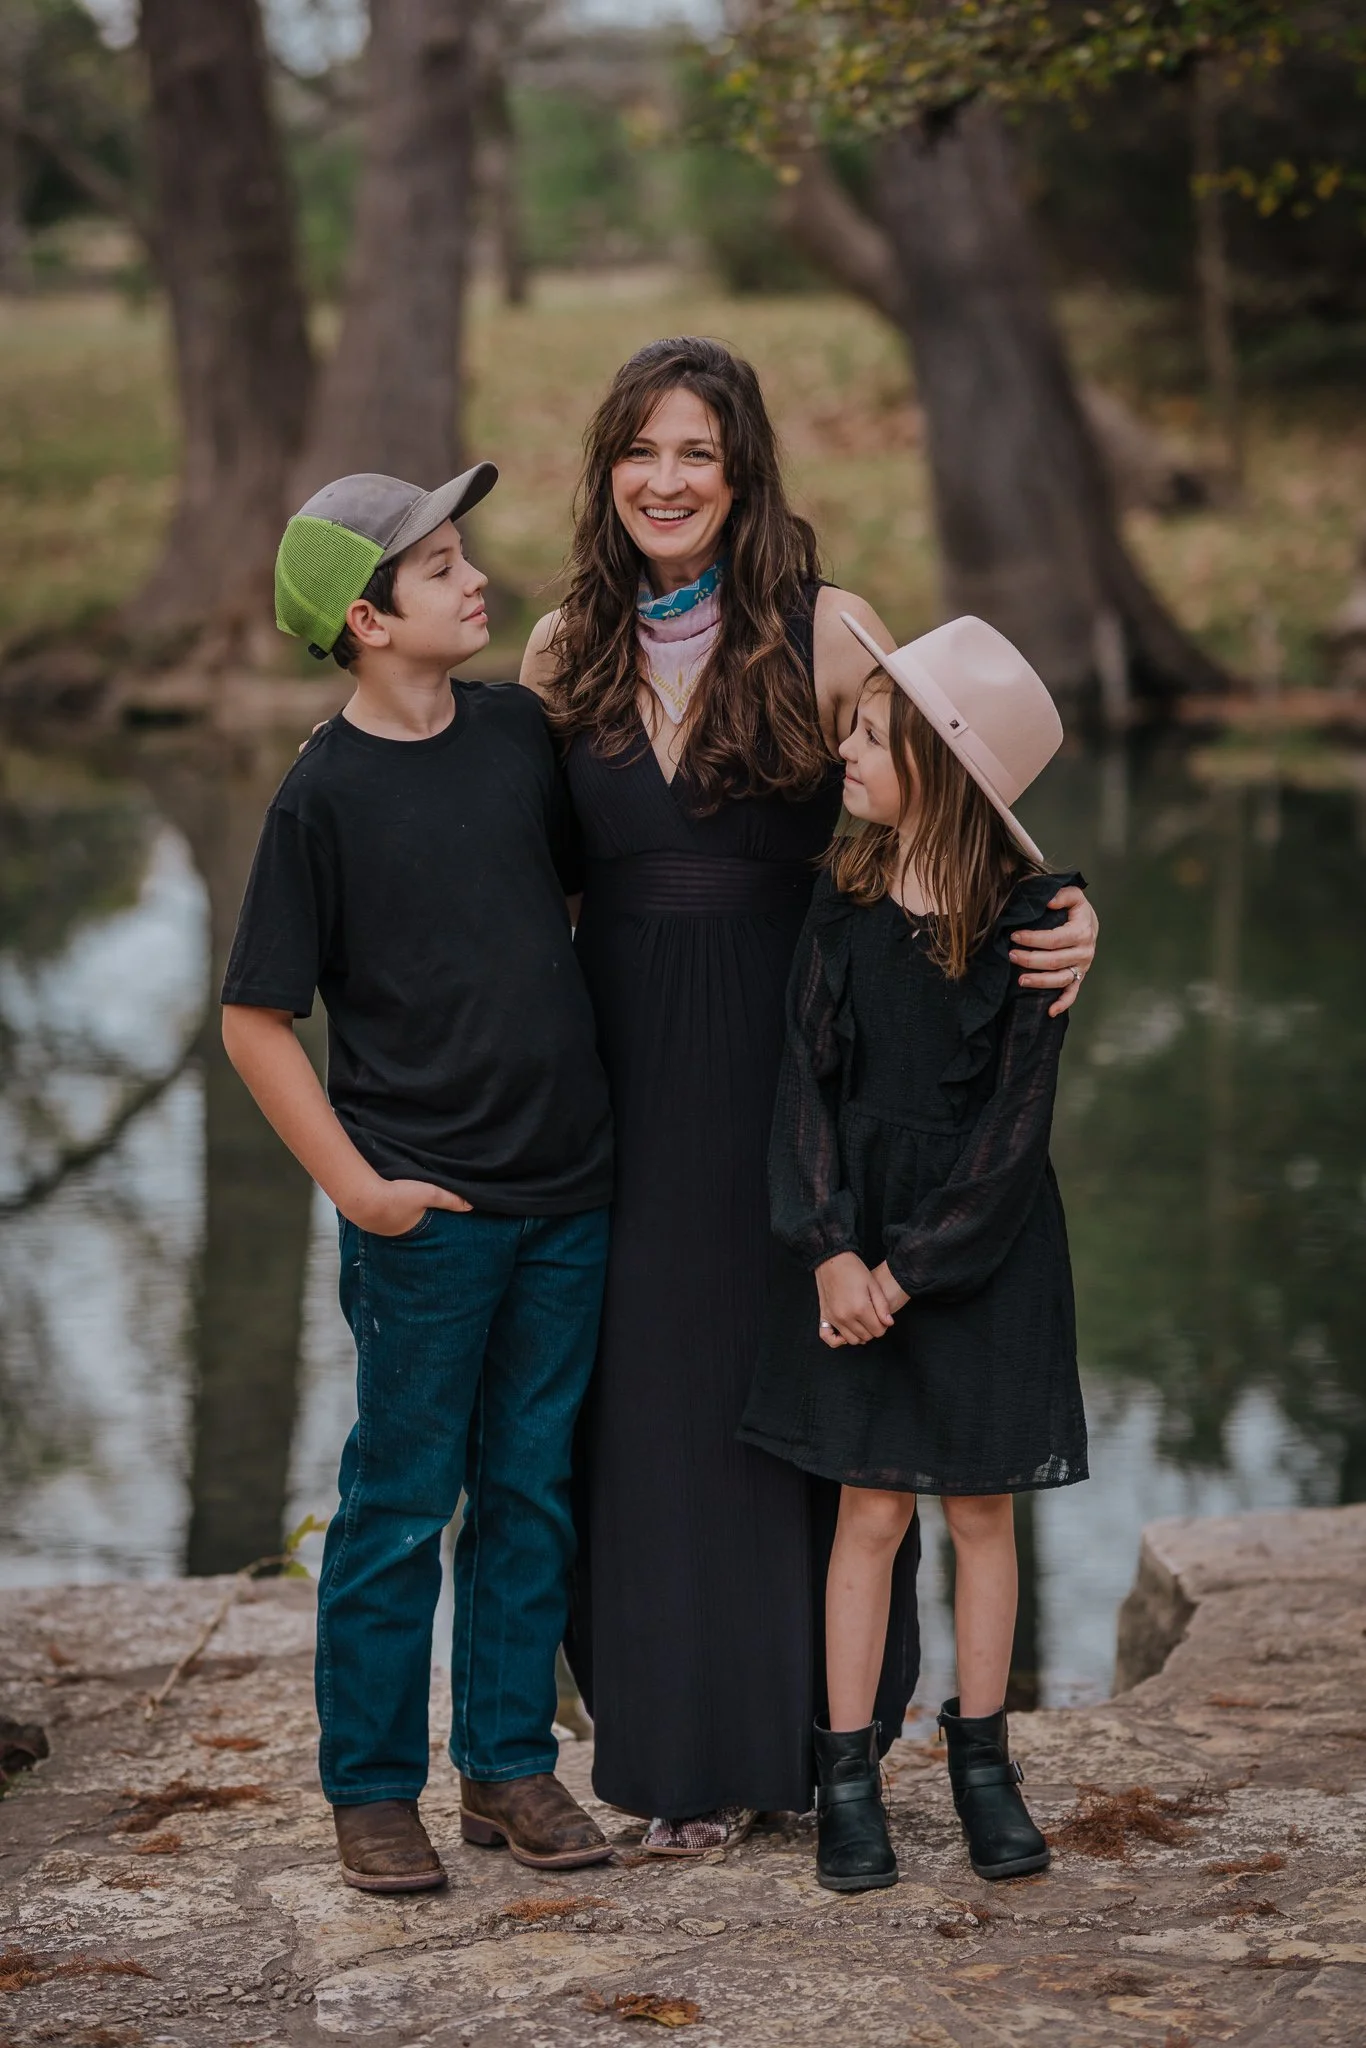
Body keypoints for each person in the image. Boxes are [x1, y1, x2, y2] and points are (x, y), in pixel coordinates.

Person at [520, 336, 1100, 1851]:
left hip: (803, 1084)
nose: (665, 480)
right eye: (640, 449)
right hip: (622, 1077)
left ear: (743, 472)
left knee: (805, 1397)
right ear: (606, 468)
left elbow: (956, 792)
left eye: (697, 452)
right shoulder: (559, 650)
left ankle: (814, 1751)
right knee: (645, 1402)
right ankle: (671, 1754)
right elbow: (514, 878)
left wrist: (1069, 911)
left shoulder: (830, 629)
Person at [221, 468, 616, 1894]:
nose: (474, 579)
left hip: (567, 1195)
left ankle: (507, 1766)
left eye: (464, 555)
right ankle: (372, 1788)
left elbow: (559, 901)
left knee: (530, 1490)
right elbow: (255, 1021)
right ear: (368, 620)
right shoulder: (320, 797)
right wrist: (360, 1189)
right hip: (425, 1217)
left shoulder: (514, 735)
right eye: (439, 567)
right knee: (398, 1505)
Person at [740, 614, 1088, 1893]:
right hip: (859, 1235)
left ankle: (982, 1762)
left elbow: (1013, 1132)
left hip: (980, 1248)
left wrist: (910, 1269)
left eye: (876, 736)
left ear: (941, 768)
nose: (847, 746)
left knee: (980, 1509)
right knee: (871, 1508)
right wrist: (831, 1249)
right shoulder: (839, 900)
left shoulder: (1034, 921)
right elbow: (802, 1083)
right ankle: (847, 1778)